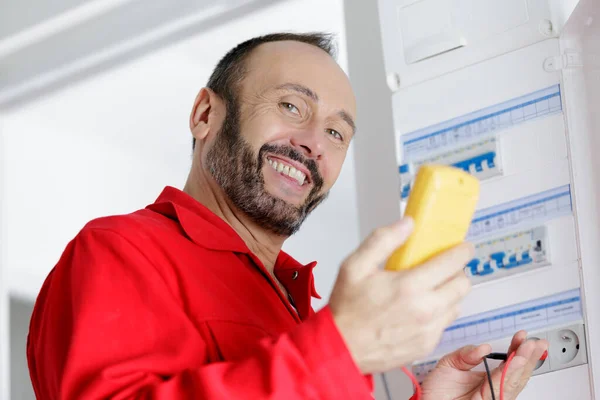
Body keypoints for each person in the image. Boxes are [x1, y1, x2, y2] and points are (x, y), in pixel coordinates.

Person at [27, 32, 548, 399]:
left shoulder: (305, 308)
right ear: (205, 114)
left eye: (337, 133)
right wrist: (341, 349)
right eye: (293, 107)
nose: (313, 144)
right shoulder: (120, 249)